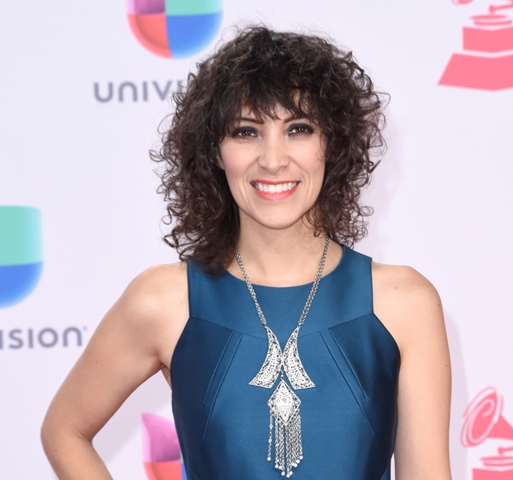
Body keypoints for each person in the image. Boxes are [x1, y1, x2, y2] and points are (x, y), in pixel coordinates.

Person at [41, 26, 452, 480]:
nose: (273, 159)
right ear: (215, 152)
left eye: (298, 128)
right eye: (246, 131)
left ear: (331, 144)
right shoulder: (164, 301)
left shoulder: (405, 303)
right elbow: (65, 429)